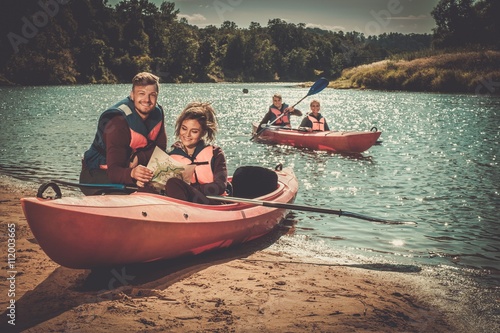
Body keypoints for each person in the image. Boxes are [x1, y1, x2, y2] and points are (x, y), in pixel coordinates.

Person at [79, 72, 166, 195]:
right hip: (97, 174)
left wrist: (139, 158)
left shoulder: (157, 114)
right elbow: (114, 171)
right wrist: (132, 174)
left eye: (152, 95)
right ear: (132, 96)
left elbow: (161, 150)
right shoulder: (117, 123)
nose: (147, 100)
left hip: (130, 169)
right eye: (141, 94)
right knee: (136, 192)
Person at [165, 102, 228, 204]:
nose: (187, 135)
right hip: (181, 203)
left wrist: (188, 188)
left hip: (213, 203)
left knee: (173, 183)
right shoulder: (171, 155)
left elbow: (220, 187)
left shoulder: (216, 153)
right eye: (184, 128)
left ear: (203, 132)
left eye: (194, 131)